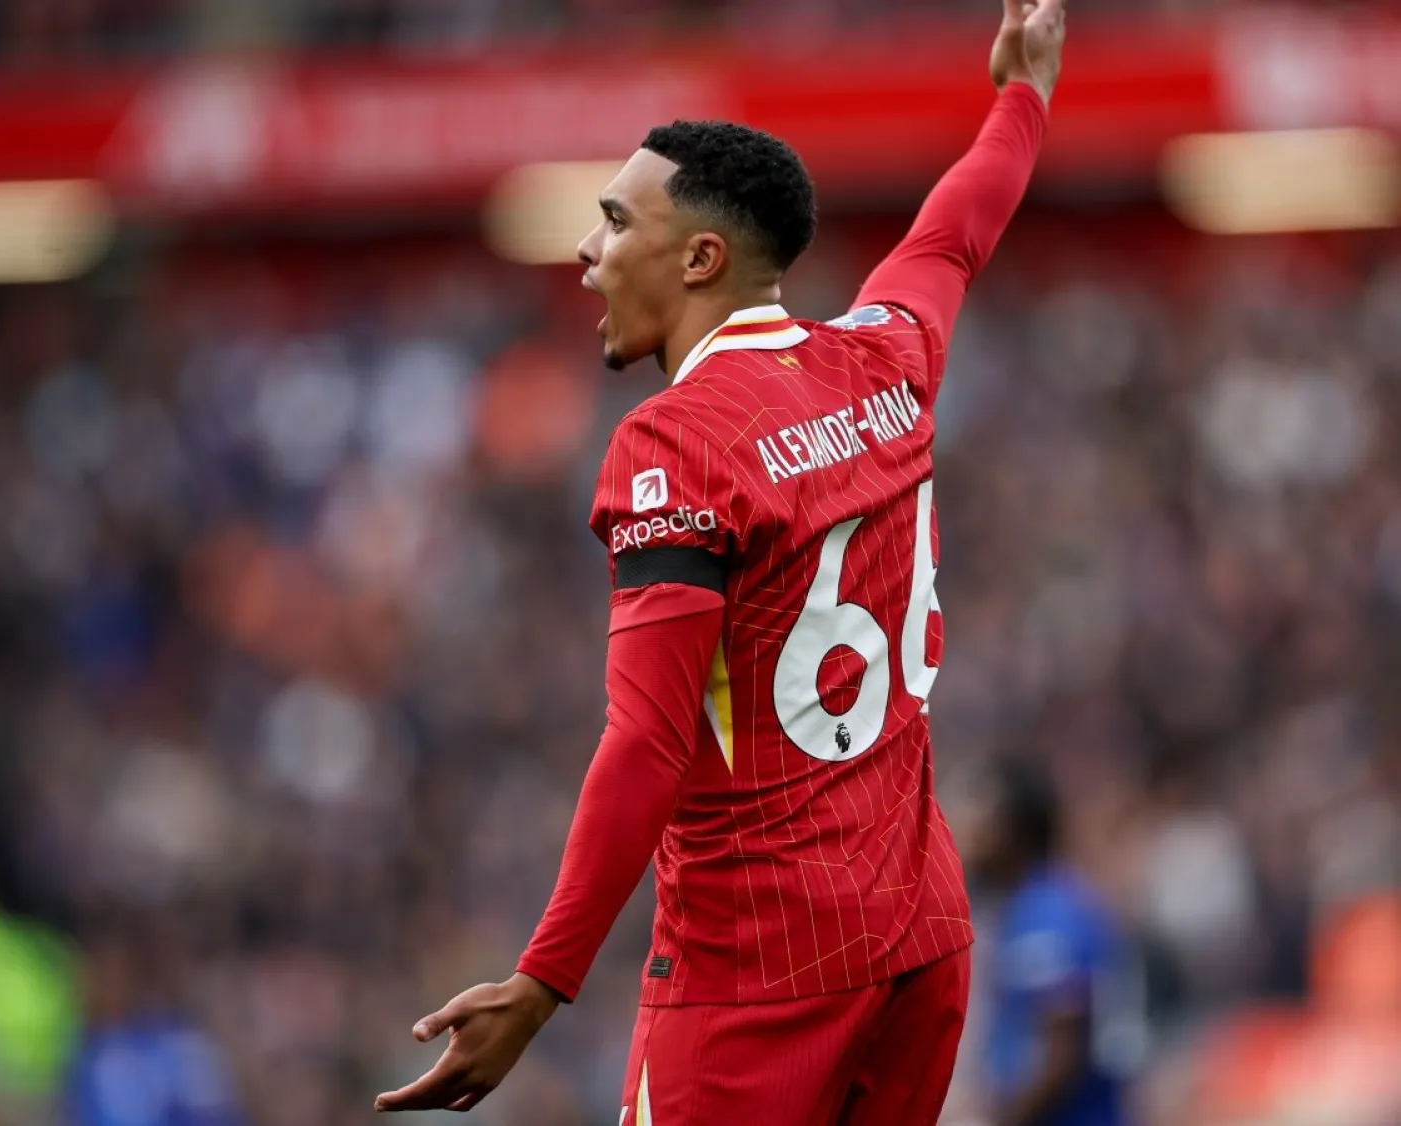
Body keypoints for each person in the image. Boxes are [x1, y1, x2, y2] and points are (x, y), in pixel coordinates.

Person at [375, 1, 1067, 1121]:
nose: (587, 253)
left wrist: (542, 983)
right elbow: (955, 232)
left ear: (701, 257)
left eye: (614, 223)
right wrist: (1022, 98)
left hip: (760, 967)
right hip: (920, 940)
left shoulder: (674, 444)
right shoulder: (885, 356)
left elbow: (648, 742)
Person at [972, 759, 1146, 1126]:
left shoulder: (1050, 918)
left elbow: (1062, 1055)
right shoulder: (1025, 907)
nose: (967, 827)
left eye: (980, 811)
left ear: (1013, 826)